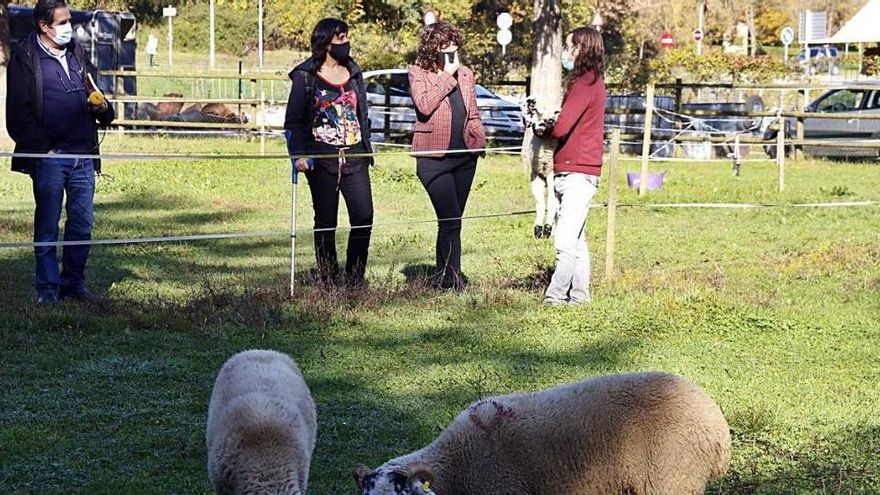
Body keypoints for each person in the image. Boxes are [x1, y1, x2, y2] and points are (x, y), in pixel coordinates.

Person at [6, 0, 115, 304]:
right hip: (50, 158)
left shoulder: (78, 54)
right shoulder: (25, 59)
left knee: (82, 224)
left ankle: (73, 284)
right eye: (63, 22)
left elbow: (100, 97)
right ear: (44, 26)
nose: (70, 27)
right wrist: (45, 149)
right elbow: (16, 116)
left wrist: (103, 109)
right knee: (48, 224)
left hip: (84, 155)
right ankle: (47, 291)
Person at [284, 18, 374, 289]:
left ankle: (355, 279)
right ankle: (329, 280)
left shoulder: (354, 72)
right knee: (326, 221)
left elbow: (362, 115)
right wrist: (298, 154)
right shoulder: (305, 77)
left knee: (363, 216)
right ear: (325, 42)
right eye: (340, 38)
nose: (345, 43)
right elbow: (294, 121)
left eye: (347, 37)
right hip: (321, 160)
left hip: (355, 157)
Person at [408, 22, 486, 292]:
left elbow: (472, 112)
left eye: (455, 50)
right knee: (450, 217)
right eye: (446, 51)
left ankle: (446, 278)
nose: (453, 56)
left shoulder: (467, 75)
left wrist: (479, 141)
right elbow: (425, 105)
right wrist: (447, 76)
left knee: (452, 222)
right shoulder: (418, 72)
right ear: (433, 50)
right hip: (433, 158)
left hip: (464, 158)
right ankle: (449, 279)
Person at [542, 27, 606, 305]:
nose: (565, 53)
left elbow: (562, 127)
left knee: (564, 241)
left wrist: (544, 128)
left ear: (580, 49)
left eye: (569, 47)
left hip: (576, 171)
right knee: (577, 240)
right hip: (580, 170)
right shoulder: (592, 82)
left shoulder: (584, 85)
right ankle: (580, 296)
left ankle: (555, 296)